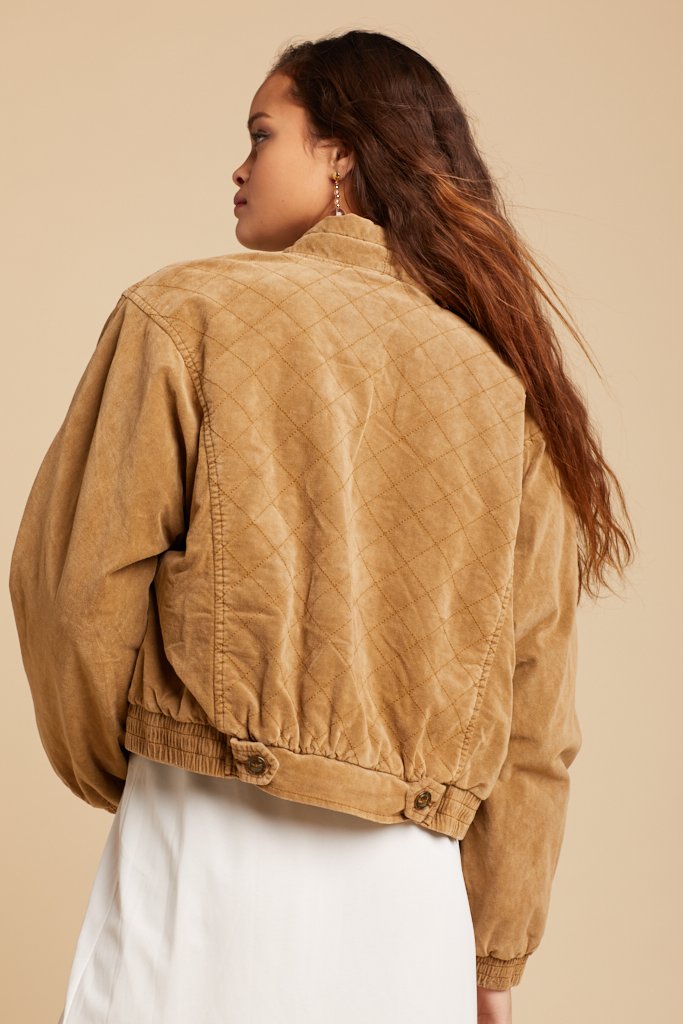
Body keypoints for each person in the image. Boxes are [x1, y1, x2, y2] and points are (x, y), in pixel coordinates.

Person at [8, 29, 635, 1024]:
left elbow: (72, 589)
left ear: (340, 152)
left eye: (262, 134)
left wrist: (132, 762)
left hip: (202, 847)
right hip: (412, 907)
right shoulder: (504, 392)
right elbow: (533, 714)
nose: (240, 165)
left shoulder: (182, 312)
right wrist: (492, 957)